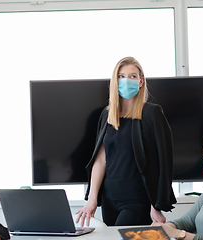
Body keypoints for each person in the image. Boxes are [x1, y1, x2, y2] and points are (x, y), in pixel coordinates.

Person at [75, 56, 176, 227]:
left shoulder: (152, 114)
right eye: (121, 76)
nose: (126, 80)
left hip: (137, 201)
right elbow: (100, 160)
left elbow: (164, 162)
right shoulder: (107, 115)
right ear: (114, 81)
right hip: (109, 200)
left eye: (132, 76)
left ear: (141, 81)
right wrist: (92, 199)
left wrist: (156, 205)